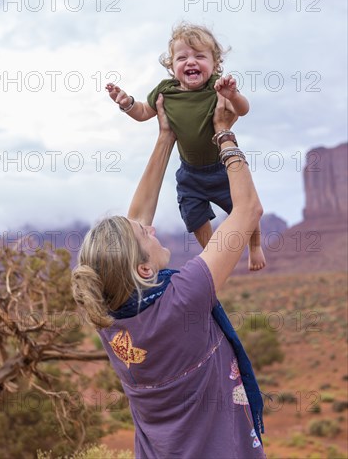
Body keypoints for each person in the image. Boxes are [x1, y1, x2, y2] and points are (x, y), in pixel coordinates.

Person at [72, 94, 266, 459]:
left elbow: (138, 218)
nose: (154, 228)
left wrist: (165, 137)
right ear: (143, 269)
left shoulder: (108, 313)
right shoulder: (183, 297)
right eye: (146, 235)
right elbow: (248, 210)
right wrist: (224, 134)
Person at [106, 23, 266, 271]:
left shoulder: (217, 87)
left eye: (200, 56)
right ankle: (214, 254)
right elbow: (142, 113)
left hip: (220, 169)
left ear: (215, 64)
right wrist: (126, 103)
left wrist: (232, 95)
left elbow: (243, 110)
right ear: (172, 67)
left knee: (244, 208)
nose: (191, 61)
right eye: (182, 57)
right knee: (193, 216)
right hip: (190, 173)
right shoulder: (165, 91)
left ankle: (255, 247)